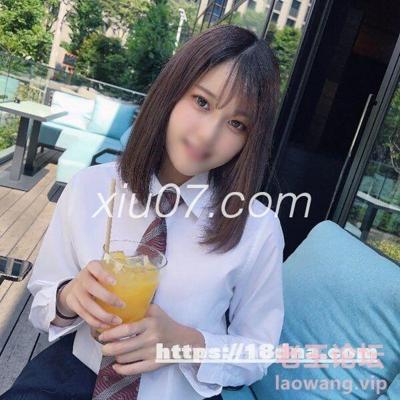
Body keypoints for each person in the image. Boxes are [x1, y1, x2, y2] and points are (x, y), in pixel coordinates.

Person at [0, 24, 285, 400]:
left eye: (236, 123)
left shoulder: (257, 228)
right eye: (202, 102)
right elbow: (42, 300)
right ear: (172, 92)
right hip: (75, 375)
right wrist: (68, 298)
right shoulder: (91, 187)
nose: (208, 135)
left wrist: (183, 343)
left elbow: (258, 353)